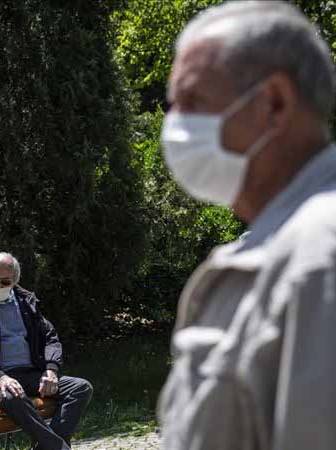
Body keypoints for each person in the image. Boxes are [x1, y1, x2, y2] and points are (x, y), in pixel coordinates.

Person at [158, 1, 336, 449]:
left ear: (274, 104)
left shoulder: (320, 257)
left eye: (193, 102)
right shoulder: (281, 244)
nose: (175, 125)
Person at [0, 252, 93, 450]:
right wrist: (0, 377)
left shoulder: (26, 301)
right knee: (13, 397)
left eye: (5, 282)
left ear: (15, 281)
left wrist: (51, 369)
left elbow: (50, 337)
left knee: (80, 388)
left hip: (30, 374)